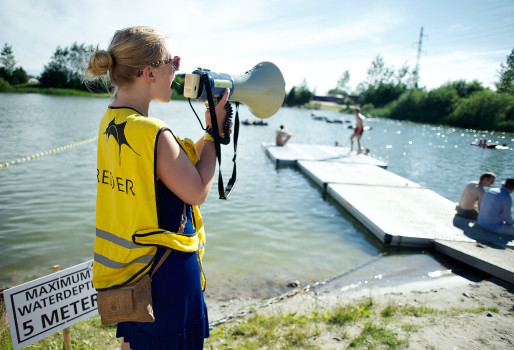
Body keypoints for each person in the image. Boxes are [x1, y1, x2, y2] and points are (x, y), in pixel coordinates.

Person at [84, 26, 230, 349]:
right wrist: (214, 131)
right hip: (165, 281)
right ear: (149, 72)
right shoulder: (154, 134)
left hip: (133, 273)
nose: (177, 70)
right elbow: (198, 191)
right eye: (173, 61)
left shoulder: (109, 121)